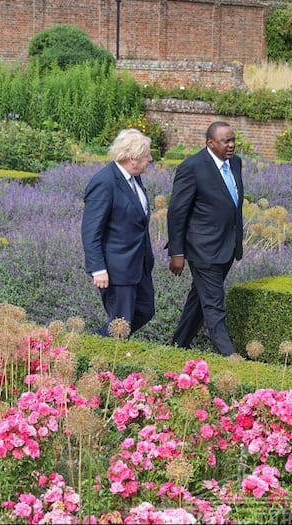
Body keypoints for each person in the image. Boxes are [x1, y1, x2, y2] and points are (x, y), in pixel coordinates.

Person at [166, 121, 244, 356]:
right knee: (213, 304)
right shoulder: (192, 167)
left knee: (200, 299)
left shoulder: (236, 163)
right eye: (225, 141)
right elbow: (177, 213)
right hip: (203, 249)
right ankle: (230, 357)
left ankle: (177, 347)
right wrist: (177, 252)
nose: (230, 145)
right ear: (210, 143)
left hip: (227, 246)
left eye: (232, 140)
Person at [81, 128, 155, 338]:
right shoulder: (104, 182)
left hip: (138, 264)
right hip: (117, 267)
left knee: (145, 310)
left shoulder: (134, 178)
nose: (150, 159)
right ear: (132, 158)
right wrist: (97, 268)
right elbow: (91, 230)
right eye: (146, 155)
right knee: (121, 323)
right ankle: (98, 350)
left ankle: (98, 343)